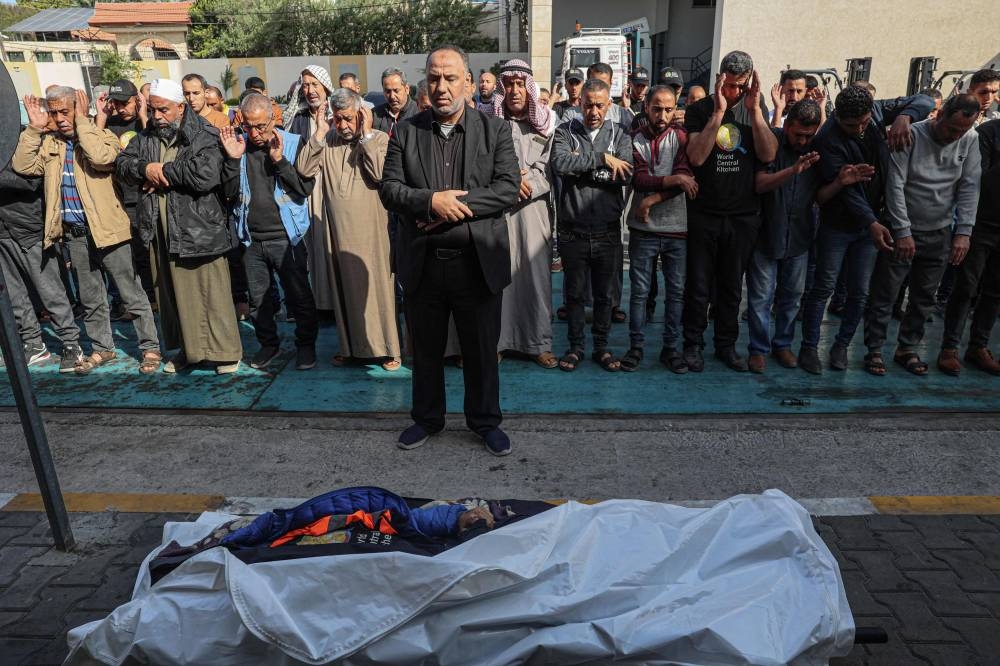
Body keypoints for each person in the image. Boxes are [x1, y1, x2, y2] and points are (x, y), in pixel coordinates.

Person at [380, 45, 520, 456]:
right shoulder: (406, 131)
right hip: (423, 263)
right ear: (425, 82)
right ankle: (426, 419)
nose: (442, 87)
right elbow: (389, 189)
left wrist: (448, 211)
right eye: (434, 78)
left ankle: (484, 421)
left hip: (477, 264)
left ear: (469, 83)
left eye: (451, 78)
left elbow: (507, 188)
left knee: (480, 350)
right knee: (425, 351)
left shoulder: (495, 130)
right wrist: (428, 201)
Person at [14, 87, 161, 375]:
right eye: (54, 113)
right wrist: (33, 129)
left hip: (109, 232)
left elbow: (101, 158)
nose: (59, 118)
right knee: (91, 298)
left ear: (78, 109)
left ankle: (150, 347)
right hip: (75, 234)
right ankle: (102, 347)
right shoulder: (50, 145)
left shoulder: (102, 137)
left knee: (132, 293)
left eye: (65, 111)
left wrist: (83, 121)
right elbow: (22, 165)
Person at [798, 85, 934, 374]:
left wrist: (904, 117)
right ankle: (809, 347)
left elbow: (924, 100)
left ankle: (841, 345)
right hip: (839, 225)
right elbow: (848, 193)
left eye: (863, 122)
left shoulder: (876, 112)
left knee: (859, 292)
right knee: (823, 288)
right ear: (837, 118)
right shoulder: (827, 139)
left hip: (872, 225)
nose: (859, 129)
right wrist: (872, 222)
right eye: (851, 125)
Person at [115, 78, 242, 374]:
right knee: (173, 297)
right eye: (154, 109)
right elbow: (122, 164)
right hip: (161, 230)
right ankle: (190, 352)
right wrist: (145, 168)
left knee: (210, 293)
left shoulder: (204, 133)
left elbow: (205, 174)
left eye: (164, 110)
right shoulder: (146, 136)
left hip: (198, 229)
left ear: (181, 107)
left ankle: (224, 353)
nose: (158, 116)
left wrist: (161, 172)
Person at [862, 94, 980, 377]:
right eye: (952, 129)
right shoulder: (909, 135)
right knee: (885, 293)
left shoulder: (970, 139)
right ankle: (874, 349)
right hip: (902, 227)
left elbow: (970, 185)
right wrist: (902, 230)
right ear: (938, 117)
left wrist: (963, 231)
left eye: (962, 131)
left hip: (939, 229)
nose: (955, 136)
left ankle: (907, 348)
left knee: (924, 297)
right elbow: (895, 184)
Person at [682, 50, 778, 372]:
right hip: (704, 213)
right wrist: (718, 114)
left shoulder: (755, 109)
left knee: (731, 287)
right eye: (729, 86)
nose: (734, 92)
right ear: (719, 80)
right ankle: (692, 345)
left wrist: (757, 113)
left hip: (742, 216)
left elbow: (768, 154)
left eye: (740, 86)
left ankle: (726, 344)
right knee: (697, 285)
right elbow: (695, 158)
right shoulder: (699, 110)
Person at [297, 88, 401, 371]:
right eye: (337, 119)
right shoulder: (327, 140)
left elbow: (382, 175)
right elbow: (304, 170)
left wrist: (366, 135)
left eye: (348, 119)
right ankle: (351, 348)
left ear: (361, 114)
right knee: (345, 293)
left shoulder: (378, 139)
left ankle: (390, 349)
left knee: (378, 291)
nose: (342, 125)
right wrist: (318, 133)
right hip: (338, 235)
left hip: (373, 235)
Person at [219, 93, 318, 371]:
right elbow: (227, 195)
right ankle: (268, 345)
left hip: (287, 238)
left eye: (260, 126)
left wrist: (279, 162)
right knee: (259, 300)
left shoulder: (292, 144)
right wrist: (230, 160)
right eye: (248, 126)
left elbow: (303, 189)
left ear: (273, 119)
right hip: (251, 239)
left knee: (299, 296)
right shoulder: (237, 147)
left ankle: (306, 345)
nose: (254, 133)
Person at [747, 99, 836, 373]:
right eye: (798, 133)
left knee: (792, 297)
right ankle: (758, 349)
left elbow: (820, 195)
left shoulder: (817, 150)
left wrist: (841, 182)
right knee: (761, 297)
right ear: (787, 125)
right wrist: (792, 171)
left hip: (799, 235)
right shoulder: (772, 141)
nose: (802, 140)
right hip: (767, 234)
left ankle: (782, 345)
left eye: (808, 135)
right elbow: (760, 183)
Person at [551, 78, 633, 373]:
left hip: (607, 231)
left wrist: (583, 165)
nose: (594, 111)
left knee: (604, 295)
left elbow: (625, 174)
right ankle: (575, 347)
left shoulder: (620, 133)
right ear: (579, 104)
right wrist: (601, 159)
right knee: (573, 294)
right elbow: (560, 163)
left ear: (608, 105)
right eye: (588, 105)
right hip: (573, 231)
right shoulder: (565, 131)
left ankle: (601, 346)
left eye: (600, 105)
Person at [622, 85, 694, 374]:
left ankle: (670, 349)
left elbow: (687, 179)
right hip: (643, 228)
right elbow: (639, 179)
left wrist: (653, 197)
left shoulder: (682, 138)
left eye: (668, 108)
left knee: (676, 293)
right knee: (639, 293)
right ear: (646, 108)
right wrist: (673, 180)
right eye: (656, 108)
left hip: (677, 228)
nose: (662, 114)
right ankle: (636, 347)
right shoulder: (634, 140)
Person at [491, 59, 557, 368]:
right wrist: (509, 183)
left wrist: (523, 182)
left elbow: (548, 166)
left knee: (536, 279)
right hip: (501, 213)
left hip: (534, 212)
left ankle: (538, 343)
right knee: (500, 278)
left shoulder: (545, 124)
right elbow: (482, 166)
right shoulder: (491, 125)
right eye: (509, 85)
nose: (515, 91)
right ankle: (499, 341)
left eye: (521, 84)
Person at [0, 164, 80, 368]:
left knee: (50, 290)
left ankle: (71, 344)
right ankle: (33, 344)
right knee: (14, 294)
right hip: (3, 231)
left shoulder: (20, 136)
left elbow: (33, 180)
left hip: (28, 227)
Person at [939, 117, 1000, 375]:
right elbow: (977, 180)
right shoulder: (987, 133)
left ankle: (978, 346)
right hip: (981, 223)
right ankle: (949, 347)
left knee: (996, 291)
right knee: (966, 287)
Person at [96, 79, 156, 308]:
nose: (121, 108)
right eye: (116, 103)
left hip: (143, 195)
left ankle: (152, 297)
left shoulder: (145, 123)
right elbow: (94, 149)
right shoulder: (110, 123)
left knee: (148, 252)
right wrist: (101, 117)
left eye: (126, 103)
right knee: (130, 256)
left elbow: (154, 142)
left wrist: (142, 114)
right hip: (119, 199)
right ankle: (136, 301)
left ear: (137, 100)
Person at [287, 66, 334, 145]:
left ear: (326, 87)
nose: (310, 91)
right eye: (306, 86)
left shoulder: (337, 116)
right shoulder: (298, 119)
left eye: (315, 84)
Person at [373, 67, 418, 136]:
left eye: (396, 91)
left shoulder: (418, 113)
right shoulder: (375, 115)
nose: (392, 96)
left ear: (407, 89)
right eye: (388, 91)